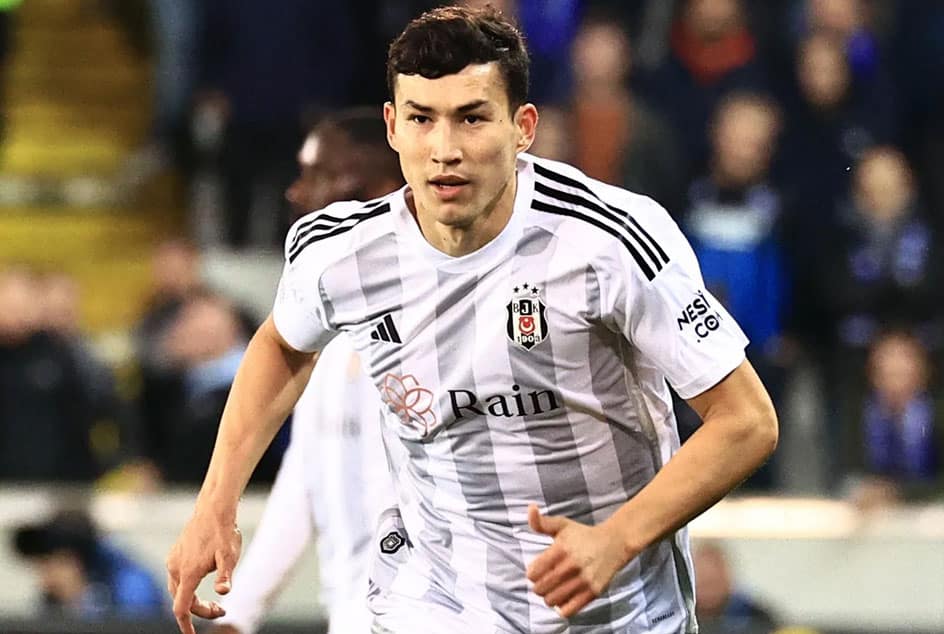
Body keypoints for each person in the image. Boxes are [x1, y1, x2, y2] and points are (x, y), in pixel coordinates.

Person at [166, 6, 778, 634]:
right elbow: (282, 345)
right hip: (432, 605)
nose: (445, 150)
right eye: (421, 119)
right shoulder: (341, 252)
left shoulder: (610, 239)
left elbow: (747, 422)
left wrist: (617, 539)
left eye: (472, 118)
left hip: (616, 614)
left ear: (523, 127)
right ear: (392, 126)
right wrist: (215, 503)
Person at [210, 109, 406, 634]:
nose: (297, 193)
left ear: (382, 190)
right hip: (352, 616)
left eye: (319, 175)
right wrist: (239, 614)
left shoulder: (435, 324)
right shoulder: (326, 337)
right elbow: (304, 479)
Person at [13, 509, 165, 620]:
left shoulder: (131, 585)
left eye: (50, 566)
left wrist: (79, 600)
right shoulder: (53, 596)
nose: (45, 580)